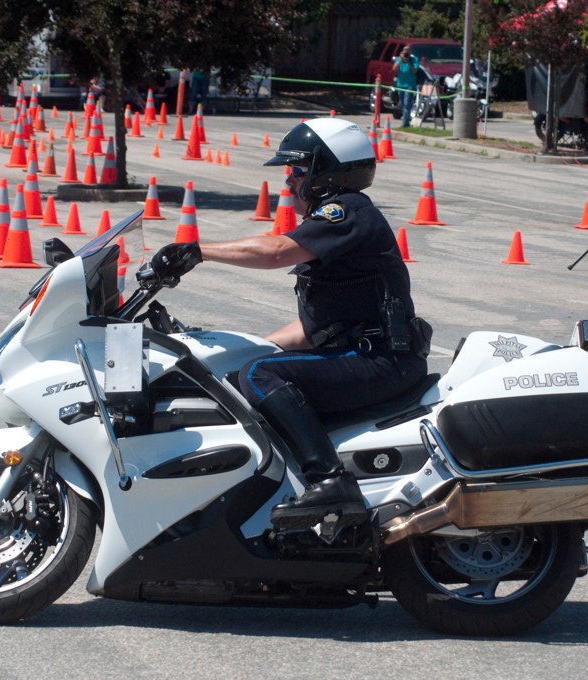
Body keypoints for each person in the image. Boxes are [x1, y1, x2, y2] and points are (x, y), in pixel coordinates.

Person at [151, 118, 430, 530]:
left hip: (382, 361)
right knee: (242, 373)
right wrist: (236, 347)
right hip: (365, 356)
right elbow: (309, 329)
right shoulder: (341, 223)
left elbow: (276, 251)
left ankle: (330, 481)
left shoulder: (347, 212)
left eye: (298, 170)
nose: (289, 180)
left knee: (260, 375)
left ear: (326, 174)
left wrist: (197, 251)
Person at [392, 46, 420, 128]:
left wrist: (408, 62)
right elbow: (394, 68)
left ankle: (405, 123)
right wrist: (401, 59)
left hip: (410, 85)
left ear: (410, 52)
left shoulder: (414, 59)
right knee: (402, 104)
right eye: (404, 51)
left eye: (407, 51)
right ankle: (406, 121)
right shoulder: (399, 59)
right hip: (400, 85)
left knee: (407, 103)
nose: (406, 53)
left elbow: (415, 71)